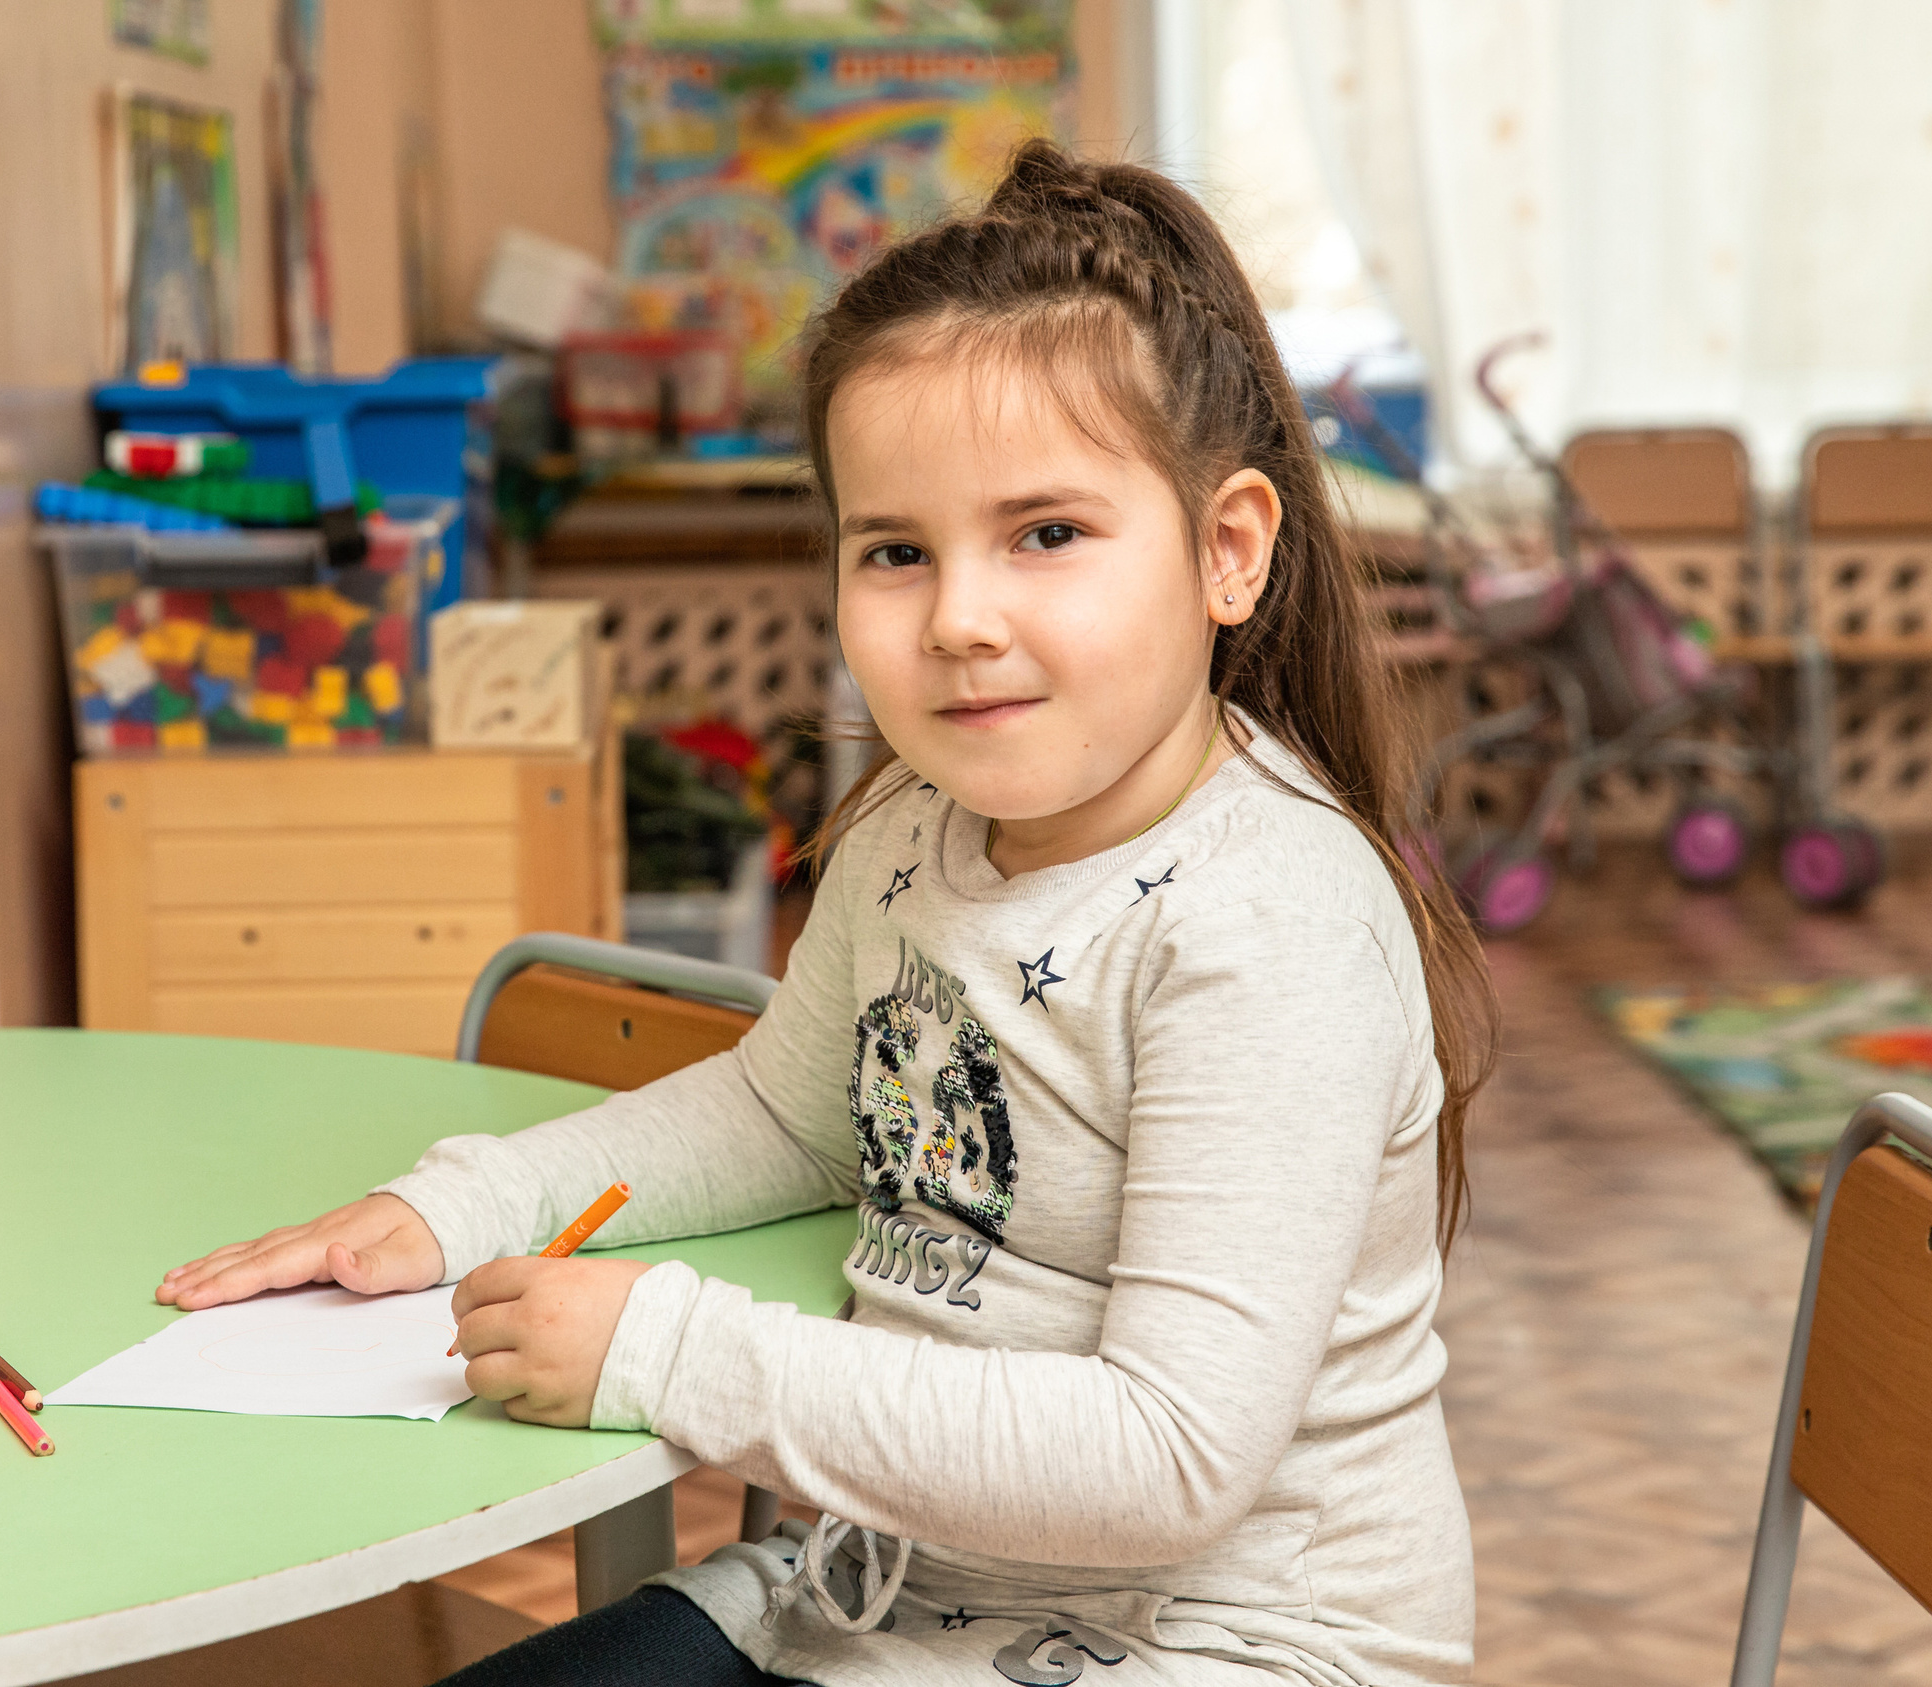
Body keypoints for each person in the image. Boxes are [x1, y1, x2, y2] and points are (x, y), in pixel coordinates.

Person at [157, 139, 1495, 1687]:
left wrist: (668, 1353)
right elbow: (786, 1115)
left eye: (1047, 534)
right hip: (891, 1593)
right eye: (896, 552)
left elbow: (1167, 1458)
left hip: (1228, 1646)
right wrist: (461, 1205)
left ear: (1226, 551)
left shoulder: (1269, 924)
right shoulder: (912, 833)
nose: (961, 619)